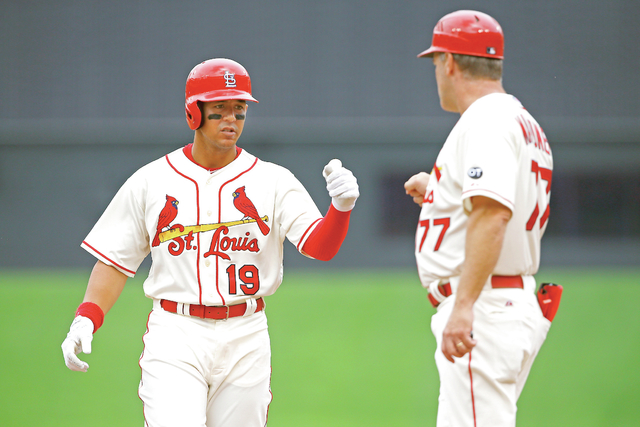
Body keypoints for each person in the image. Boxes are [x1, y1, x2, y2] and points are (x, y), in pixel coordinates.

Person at [61, 58, 360, 427]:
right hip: (176, 331)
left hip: (246, 334)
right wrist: (86, 318)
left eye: (239, 109)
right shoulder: (152, 180)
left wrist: (340, 209)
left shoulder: (273, 180)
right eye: (219, 110)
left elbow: (320, 247)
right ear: (194, 113)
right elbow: (115, 260)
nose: (231, 119)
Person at [405, 10, 559, 426]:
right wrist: (441, 195)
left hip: (485, 307)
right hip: (503, 301)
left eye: (436, 62)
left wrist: (465, 305)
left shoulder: (486, 121)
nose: (437, 72)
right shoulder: (521, 122)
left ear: (450, 62)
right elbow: (496, 204)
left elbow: (492, 215)